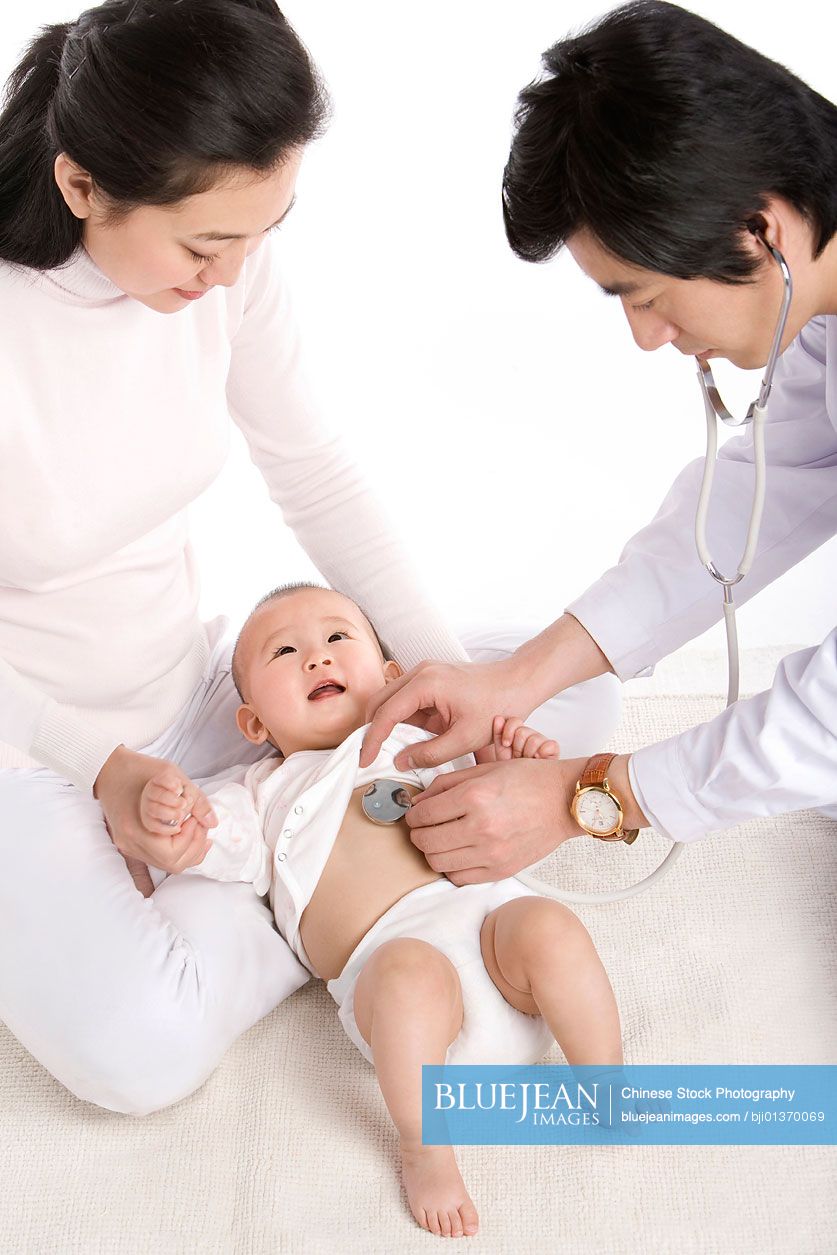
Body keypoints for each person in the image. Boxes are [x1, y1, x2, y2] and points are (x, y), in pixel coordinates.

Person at [0, 0, 620, 1118]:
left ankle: (273, 846)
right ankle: (318, 876)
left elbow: (315, 473)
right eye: (206, 245)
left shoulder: (227, 267)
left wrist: (446, 688)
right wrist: (103, 769)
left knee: (574, 698)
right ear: (81, 184)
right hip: (32, 749)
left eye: (262, 233)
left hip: (202, 703)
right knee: (139, 1055)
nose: (234, 275)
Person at [360, 0, 837, 880]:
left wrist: (592, 795)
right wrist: (516, 681)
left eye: (646, 294)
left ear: (761, 230)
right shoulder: (817, 311)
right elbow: (769, 491)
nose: (644, 337)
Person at [143, 581, 623, 1239]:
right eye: (286, 651)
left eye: (338, 637)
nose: (318, 657)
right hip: (406, 1006)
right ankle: (426, 1150)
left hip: (496, 937)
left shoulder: (424, 743)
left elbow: (502, 800)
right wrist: (177, 820)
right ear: (255, 723)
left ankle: (604, 1077)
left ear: (392, 676)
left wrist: (507, 760)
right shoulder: (258, 793)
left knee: (550, 925)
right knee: (408, 973)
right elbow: (210, 842)